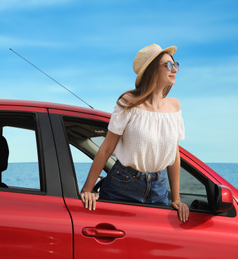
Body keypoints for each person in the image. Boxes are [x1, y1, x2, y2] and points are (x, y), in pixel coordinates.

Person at [80, 44, 189, 222]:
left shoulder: (174, 106)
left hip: (158, 188)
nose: (174, 69)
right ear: (153, 70)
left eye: (175, 64)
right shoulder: (128, 103)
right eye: (168, 65)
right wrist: (87, 190)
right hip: (122, 185)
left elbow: (174, 155)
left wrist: (176, 199)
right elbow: (106, 149)